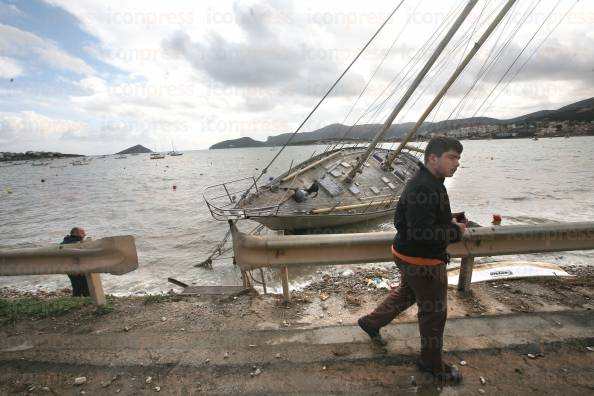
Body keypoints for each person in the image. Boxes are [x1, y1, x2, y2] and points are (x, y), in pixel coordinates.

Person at [357, 136, 466, 383]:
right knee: (434, 313)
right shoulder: (423, 186)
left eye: (458, 158)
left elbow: (403, 221)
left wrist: (447, 220)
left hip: (407, 255)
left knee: (408, 293)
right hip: (423, 262)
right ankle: (431, 363)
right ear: (432, 158)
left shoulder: (430, 181)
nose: (457, 163)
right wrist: (455, 232)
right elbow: (421, 232)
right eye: (452, 157)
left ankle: (370, 323)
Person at [61, 227, 90, 297]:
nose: (85, 234)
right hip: (75, 268)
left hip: (69, 268)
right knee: (84, 286)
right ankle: (87, 300)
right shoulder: (74, 243)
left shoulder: (66, 241)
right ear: (75, 233)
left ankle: (78, 299)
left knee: (77, 287)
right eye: (82, 233)